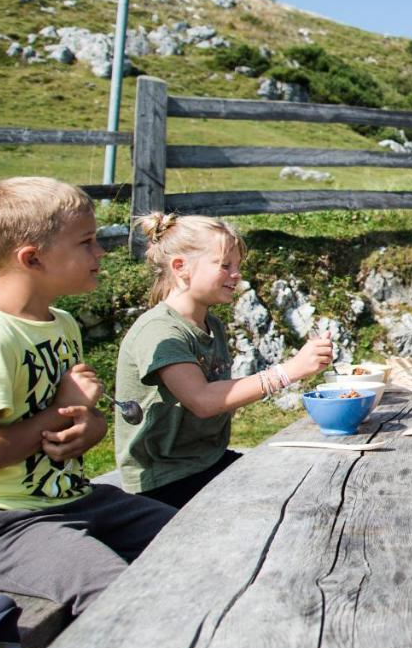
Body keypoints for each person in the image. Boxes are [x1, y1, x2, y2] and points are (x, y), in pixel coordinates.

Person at [0, 178, 176, 616]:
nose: (101, 252)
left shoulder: (61, 323)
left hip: (73, 499)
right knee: (119, 597)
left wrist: (88, 427)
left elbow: (76, 417)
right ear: (32, 257)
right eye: (87, 242)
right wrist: (61, 410)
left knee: (198, 537)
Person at [115, 213, 334, 508]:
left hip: (208, 463)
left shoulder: (212, 325)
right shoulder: (160, 330)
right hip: (165, 479)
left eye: (238, 266)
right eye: (225, 265)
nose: (236, 275)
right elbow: (202, 401)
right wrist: (288, 372)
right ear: (181, 267)